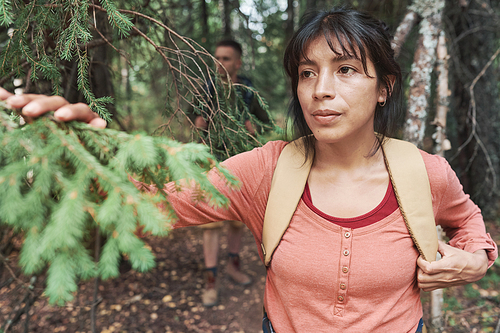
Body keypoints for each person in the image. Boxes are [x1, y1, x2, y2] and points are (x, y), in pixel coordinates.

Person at [1, 7, 497, 332]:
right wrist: (85, 154)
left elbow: (469, 222)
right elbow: (156, 199)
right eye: (307, 73)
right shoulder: (267, 170)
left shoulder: (423, 172)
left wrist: (476, 261)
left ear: (384, 86)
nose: (321, 89)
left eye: (345, 69)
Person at [193, 39, 271, 307]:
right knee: (211, 223)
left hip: (240, 162)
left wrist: (252, 128)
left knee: (238, 218)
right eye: (216, 58)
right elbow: (196, 125)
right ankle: (210, 280)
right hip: (212, 162)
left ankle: (233, 266)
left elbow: (262, 121)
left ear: (237, 62)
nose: (219, 63)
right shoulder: (208, 88)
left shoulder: (247, 89)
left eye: (225, 59)